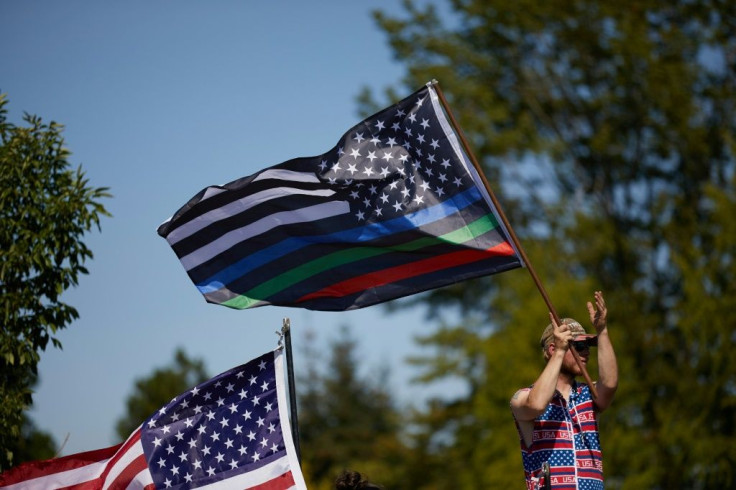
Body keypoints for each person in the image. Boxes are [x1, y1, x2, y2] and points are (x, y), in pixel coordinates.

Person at [510, 291, 618, 490]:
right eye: (578, 346)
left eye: (587, 346)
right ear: (553, 349)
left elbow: (610, 384)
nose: (585, 352)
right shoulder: (522, 397)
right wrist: (561, 351)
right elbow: (536, 404)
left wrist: (602, 331)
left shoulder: (589, 394)